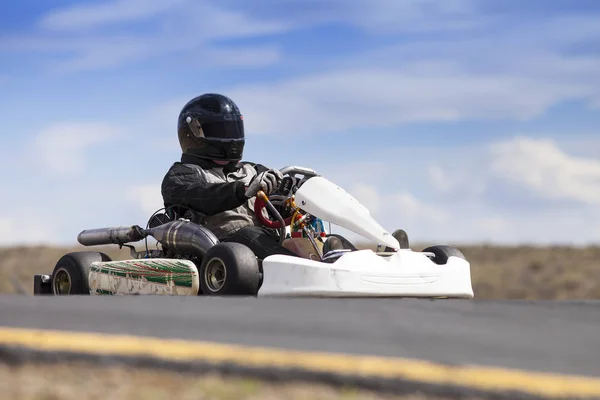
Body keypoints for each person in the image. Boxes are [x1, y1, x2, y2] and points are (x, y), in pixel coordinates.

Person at [160, 93, 297, 260]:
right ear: (192, 134)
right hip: (222, 255)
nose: (230, 138)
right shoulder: (181, 175)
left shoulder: (253, 170)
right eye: (220, 130)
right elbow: (201, 195)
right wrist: (243, 190)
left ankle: (329, 264)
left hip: (267, 242)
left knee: (320, 242)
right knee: (250, 234)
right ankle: (304, 274)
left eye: (232, 129)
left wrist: (296, 196)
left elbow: (281, 202)